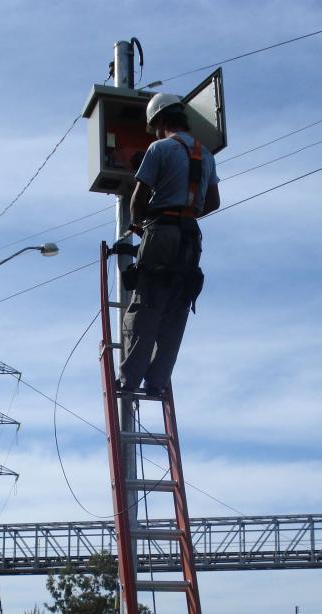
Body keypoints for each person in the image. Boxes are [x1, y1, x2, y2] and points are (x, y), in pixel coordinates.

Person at [118, 92, 220, 394]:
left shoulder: (159, 149)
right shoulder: (207, 155)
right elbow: (213, 201)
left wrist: (140, 225)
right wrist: (188, 212)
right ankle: (157, 382)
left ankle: (130, 378)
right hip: (190, 236)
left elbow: (138, 199)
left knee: (146, 304)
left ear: (160, 120)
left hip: (162, 232)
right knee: (176, 307)